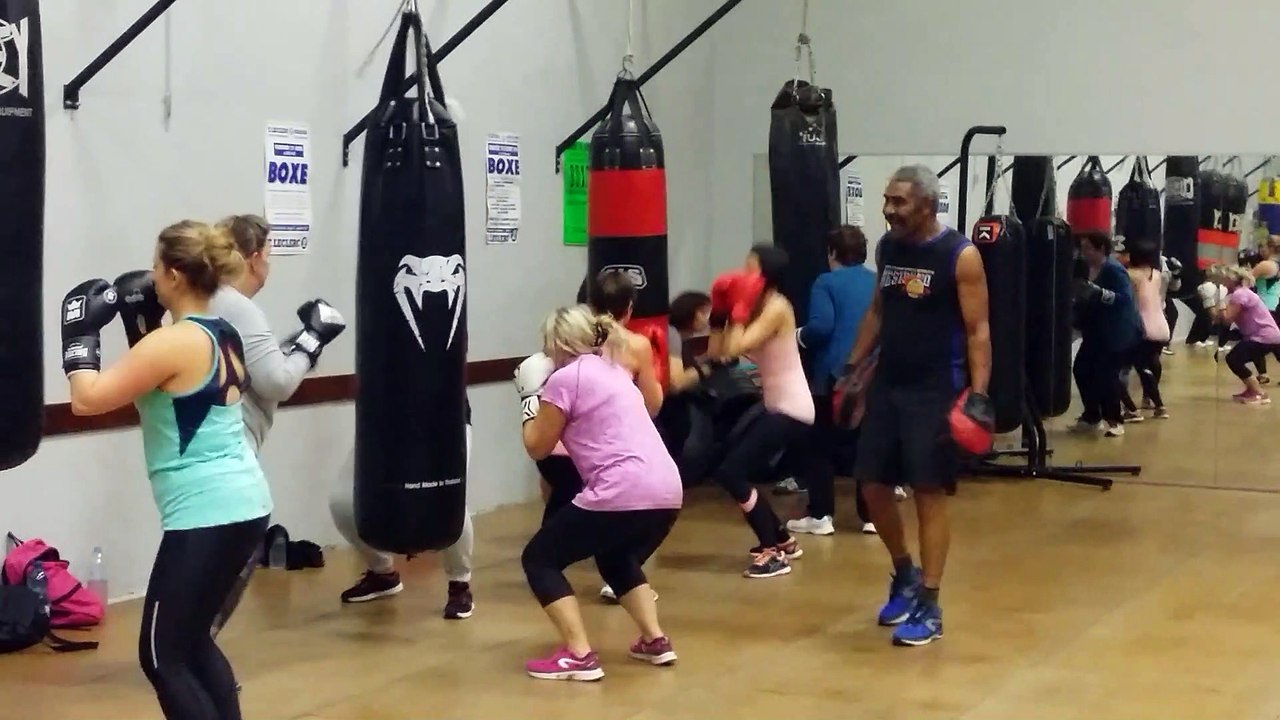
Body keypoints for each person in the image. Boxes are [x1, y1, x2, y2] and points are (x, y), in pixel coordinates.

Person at [60, 220, 272, 719]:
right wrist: (140, 330)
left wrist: (80, 334)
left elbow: (87, 400)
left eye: (157, 267)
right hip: (245, 505)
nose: (151, 278)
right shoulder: (223, 334)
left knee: (161, 655)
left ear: (175, 275)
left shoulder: (171, 345)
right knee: (192, 641)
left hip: (206, 515)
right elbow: (165, 399)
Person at [844, 164, 993, 647]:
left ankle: (930, 603)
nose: (888, 210)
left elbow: (978, 331)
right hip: (889, 383)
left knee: (928, 492)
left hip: (937, 390)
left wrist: (979, 395)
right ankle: (904, 573)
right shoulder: (889, 248)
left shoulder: (960, 256)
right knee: (871, 486)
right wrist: (851, 368)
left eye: (899, 202)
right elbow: (877, 311)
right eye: (886, 200)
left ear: (927, 204)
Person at [515, 305, 683, 681]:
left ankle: (578, 655)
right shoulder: (615, 371)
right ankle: (655, 640)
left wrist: (529, 396)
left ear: (556, 344)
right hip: (668, 488)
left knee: (539, 559)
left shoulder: (565, 379)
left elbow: (537, 446)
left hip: (622, 487)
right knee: (616, 556)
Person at [196, 214, 346, 635]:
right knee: (230, 563)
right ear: (254, 258)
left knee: (206, 563)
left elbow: (244, 371)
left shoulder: (207, 300)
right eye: (270, 256)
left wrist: (295, 345)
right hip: (230, 455)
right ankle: (196, 656)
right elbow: (276, 381)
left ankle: (191, 653)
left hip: (201, 451)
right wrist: (312, 344)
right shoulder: (237, 306)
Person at [707, 244, 815, 579]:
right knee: (725, 467)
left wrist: (737, 310)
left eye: (749, 269)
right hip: (776, 407)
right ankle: (782, 539)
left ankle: (772, 550)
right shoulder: (756, 308)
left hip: (793, 409)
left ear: (764, 275)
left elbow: (737, 347)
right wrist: (719, 314)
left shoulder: (777, 308)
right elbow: (719, 354)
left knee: (732, 472)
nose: (743, 274)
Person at [787, 225, 877, 536]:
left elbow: (821, 327)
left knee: (819, 445)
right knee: (868, 448)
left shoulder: (825, 282)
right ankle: (871, 516)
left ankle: (821, 514)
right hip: (871, 376)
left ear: (832, 253)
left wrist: (795, 337)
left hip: (833, 377)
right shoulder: (877, 281)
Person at [1071, 231, 1143, 437]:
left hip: (1116, 332)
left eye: (1088, 249)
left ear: (1101, 249)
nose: (1084, 253)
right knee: (1081, 369)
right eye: (1082, 248)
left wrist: (1099, 292)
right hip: (1095, 331)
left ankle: (1115, 421)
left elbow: (1125, 299)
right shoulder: (1086, 268)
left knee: (1106, 376)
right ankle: (1092, 416)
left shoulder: (1113, 270)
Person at [1215, 265, 1280, 403]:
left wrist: (1219, 301)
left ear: (1231, 280)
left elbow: (1226, 320)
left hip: (1263, 336)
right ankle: (1252, 390)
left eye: (1222, 280)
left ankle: (1258, 392)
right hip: (1263, 336)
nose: (1220, 283)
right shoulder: (1239, 293)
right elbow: (1218, 319)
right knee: (1236, 358)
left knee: (1233, 359)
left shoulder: (1240, 294)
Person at [1125, 239, 1171, 419]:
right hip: (1160, 324)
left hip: (1142, 326)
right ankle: (1148, 399)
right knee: (1152, 362)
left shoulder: (1132, 275)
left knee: (1142, 367)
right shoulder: (1157, 274)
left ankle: (1159, 405)